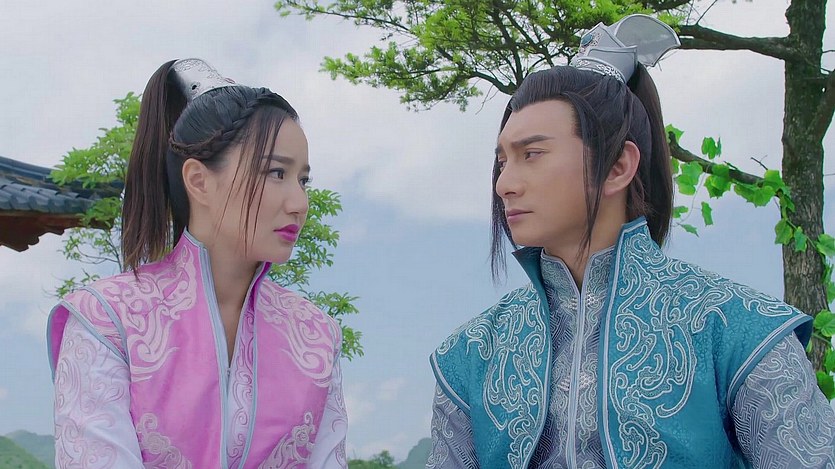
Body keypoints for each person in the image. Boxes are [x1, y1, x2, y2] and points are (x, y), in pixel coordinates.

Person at [426, 14, 835, 469]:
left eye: (532, 154)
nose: (504, 184)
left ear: (618, 166)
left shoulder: (739, 332)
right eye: (502, 162)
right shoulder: (470, 355)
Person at [47, 58, 347, 468]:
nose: (299, 203)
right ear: (199, 181)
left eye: (303, 180)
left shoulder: (316, 334)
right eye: (276, 173)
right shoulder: (107, 321)